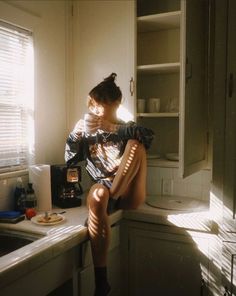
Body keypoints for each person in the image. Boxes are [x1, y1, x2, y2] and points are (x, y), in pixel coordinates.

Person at [65, 73, 154, 296]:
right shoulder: (86, 130)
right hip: (104, 187)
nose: (94, 112)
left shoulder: (126, 127)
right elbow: (70, 161)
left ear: (115, 104)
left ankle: (111, 197)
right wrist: (75, 136)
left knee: (137, 144)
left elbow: (148, 135)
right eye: (91, 107)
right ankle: (101, 282)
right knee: (97, 195)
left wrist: (110, 127)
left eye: (99, 106)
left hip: (129, 191)